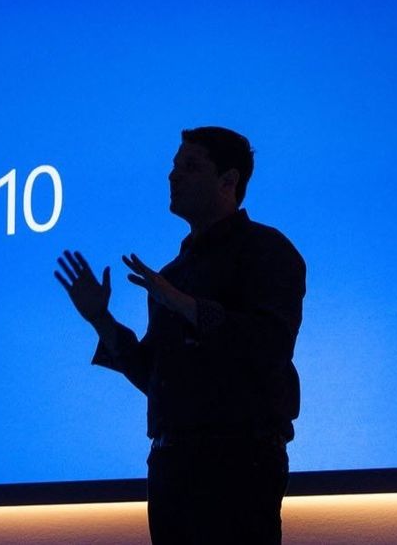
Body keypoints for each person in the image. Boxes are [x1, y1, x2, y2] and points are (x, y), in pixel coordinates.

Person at [54, 126, 305, 544]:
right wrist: (101, 319)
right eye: (173, 167)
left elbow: (270, 345)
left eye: (190, 167)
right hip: (171, 466)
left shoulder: (268, 251)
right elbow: (153, 376)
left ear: (229, 181)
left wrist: (185, 305)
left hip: (240, 463)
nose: (174, 176)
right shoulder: (172, 275)